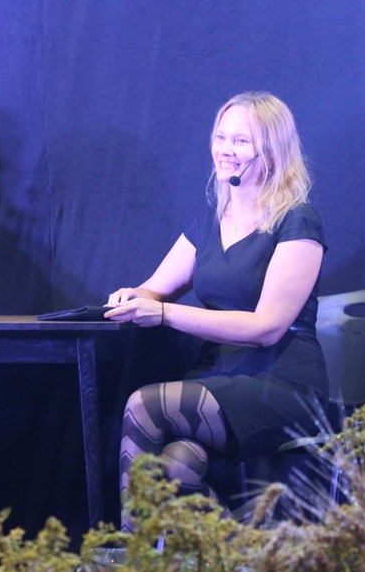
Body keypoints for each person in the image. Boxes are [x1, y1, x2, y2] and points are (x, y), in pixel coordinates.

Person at [105, 91, 328, 531]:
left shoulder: (298, 221)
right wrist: (133, 296)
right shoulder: (210, 220)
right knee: (176, 465)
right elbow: (155, 288)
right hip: (218, 377)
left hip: (281, 382)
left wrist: (166, 315)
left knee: (144, 406)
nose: (226, 149)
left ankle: (133, 556)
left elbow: (266, 328)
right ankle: (244, 559)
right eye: (221, 137)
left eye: (241, 141)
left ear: (271, 149)